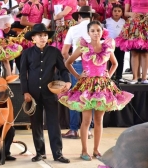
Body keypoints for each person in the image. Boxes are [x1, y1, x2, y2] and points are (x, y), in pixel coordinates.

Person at [58, 21, 134, 161]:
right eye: (92, 30)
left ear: (102, 31)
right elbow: (68, 62)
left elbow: (115, 64)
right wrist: (77, 76)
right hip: (87, 86)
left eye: (98, 30)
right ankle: (84, 151)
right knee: (86, 120)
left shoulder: (107, 46)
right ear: (88, 33)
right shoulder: (83, 47)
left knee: (99, 119)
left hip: (102, 86)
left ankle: (96, 150)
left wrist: (108, 76)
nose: (95, 33)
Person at [20, 23, 71, 163]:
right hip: (33, 94)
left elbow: (63, 69)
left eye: (45, 35)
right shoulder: (27, 53)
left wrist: (67, 82)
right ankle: (40, 153)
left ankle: (58, 153)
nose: (43, 38)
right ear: (33, 38)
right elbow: (23, 74)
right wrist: (25, 92)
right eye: (40, 35)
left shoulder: (54, 52)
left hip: (50, 93)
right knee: (36, 124)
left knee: (54, 123)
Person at [61, 6, 99, 139]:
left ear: (79, 17)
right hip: (94, 65)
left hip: (77, 64)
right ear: (92, 17)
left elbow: (64, 51)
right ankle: (88, 129)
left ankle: (73, 129)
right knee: (91, 96)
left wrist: (69, 63)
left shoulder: (73, 29)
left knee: (75, 96)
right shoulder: (99, 29)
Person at [115, 0, 148, 84]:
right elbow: (125, 13)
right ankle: (135, 78)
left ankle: (144, 78)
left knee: (145, 52)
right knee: (134, 52)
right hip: (134, 23)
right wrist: (131, 14)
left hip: (146, 23)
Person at [105, 5, 125, 82]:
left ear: (122, 13)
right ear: (112, 12)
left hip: (120, 44)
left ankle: (119, 76)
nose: (117, 13)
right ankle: (111, 75)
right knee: (110, 60)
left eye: (119, 11)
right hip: (110, 44)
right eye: (115, 11)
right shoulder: (107, 21)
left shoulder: (123, 21)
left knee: (120, 59)